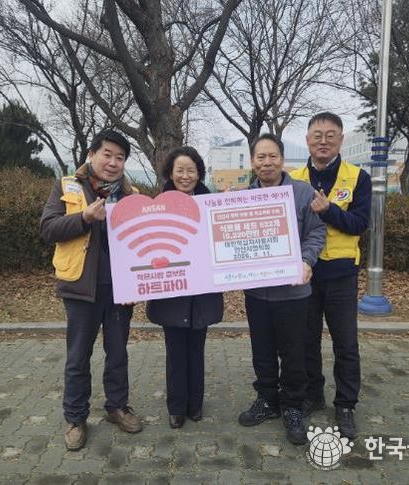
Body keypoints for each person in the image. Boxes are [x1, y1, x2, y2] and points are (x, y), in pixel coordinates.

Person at [40, 130, 143, 451]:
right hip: (81, 287)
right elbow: (48, 229)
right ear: (92, 154)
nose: (113, 163)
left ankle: (117, 407)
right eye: (107, 154)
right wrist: (84, 217)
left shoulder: (132, 196)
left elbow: (143, 242)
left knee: (118, 353)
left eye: (120, 157)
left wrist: (140, 281)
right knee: (78, 356)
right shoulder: (66, 186)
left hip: (120, 290)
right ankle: (75, 418)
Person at [238, 133, 325, 445]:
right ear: (252, 162)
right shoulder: (242, 198)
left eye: (272, 156)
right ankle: (266, 400)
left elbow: (316, 233)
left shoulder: (302, 193)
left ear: (282, 159)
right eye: (260, 157)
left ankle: (291, 407)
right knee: (261, 351)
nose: (267, 162)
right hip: (257, 293)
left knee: (293, 353)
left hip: (293, 293)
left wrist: (307, 261)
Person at [290, 112, 372, 439]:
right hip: (305, 273)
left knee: (346, 343)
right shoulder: (293, 179)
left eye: (330, 135)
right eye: (317, 135)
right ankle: (312, 394)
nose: (323, 141)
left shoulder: (358, 177)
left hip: (340, 273)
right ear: (307, 140)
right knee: (306, 339)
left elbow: (359, 224)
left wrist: (329, 211)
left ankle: (346, 404)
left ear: (340, 139)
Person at [146, 146, 224, 429]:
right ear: (170, 173)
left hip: (202, 291)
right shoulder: (156, 206)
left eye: (191, 170)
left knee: (196, 349)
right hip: (172, 290)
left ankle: (195, 404)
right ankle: (176, 407)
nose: (185, 176)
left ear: (199, 174)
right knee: (175, 350)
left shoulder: (212, 205)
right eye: (180, 170)